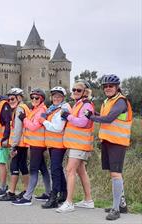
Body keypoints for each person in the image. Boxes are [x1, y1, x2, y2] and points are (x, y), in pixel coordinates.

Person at [85, 74, 132, 221]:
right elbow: (106, 116)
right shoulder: (108, 101)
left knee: (115, 174)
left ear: (117, 87)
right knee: (114, 174)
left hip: (117, 143)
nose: (107, 88)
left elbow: (109, 119)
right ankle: (121, 205)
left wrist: (91, 117)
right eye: (105, 86)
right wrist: (95, 114)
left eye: (110, 86)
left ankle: (116, 209)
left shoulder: (120, 101)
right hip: (108, 141)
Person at [56, 80, 95, 213]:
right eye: (74, 90)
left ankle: (69, 202)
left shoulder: (87, 105)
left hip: (80, 143)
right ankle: (88, 200)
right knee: (80, 171)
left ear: (85, 92)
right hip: (76, 143)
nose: (75, 92)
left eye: (78, 90)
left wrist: (68, 117)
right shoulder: (78, 104)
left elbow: (83, 122)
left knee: (70, 170)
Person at [12, 88, 52, 206]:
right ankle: (49, 193)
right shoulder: (36, 109)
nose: (34, 99)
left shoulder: (41, 110)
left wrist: (23, 119)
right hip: (36, 144)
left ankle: (27, 197)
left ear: (42, 99)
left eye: (37, 98)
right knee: (43, 169)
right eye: (32, 97)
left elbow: (34, 127)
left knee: (33, 171)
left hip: (37, 145)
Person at [40, 86, 71, 209]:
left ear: (63, 98)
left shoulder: (63, 109)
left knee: (54, 169)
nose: (56, 98)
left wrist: (43, 121)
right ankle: (63, 193)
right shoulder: (53, 109)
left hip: (58, 144)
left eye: (59, 96)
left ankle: (54, 197)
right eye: (54, 96)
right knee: (57, 168)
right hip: (53, 144)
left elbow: (57, 128)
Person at [0, 88, 29, 202]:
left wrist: (13, 146)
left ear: (19, 98)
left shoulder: (19, 109)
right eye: (9, 99)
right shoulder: (21, 108)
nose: (10, 101)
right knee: (22, 166)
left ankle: (11, 192)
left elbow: (18, 130)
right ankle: (26, 191)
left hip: (19, 143)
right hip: (23, 143)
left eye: (12, 98)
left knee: (14, 167)